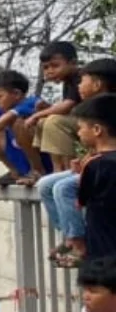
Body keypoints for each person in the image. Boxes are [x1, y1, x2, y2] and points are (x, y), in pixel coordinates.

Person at [39, 58, 116, 268]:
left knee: (64, 188)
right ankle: (70, 236)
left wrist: (87, 167)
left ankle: (80, 246)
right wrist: (84, 162)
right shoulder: (91, 109)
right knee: (45, 185)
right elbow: (98, 145)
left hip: (105, 167)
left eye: (83, 80)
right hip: (96, 163)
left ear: (98, 84)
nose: (79, 86)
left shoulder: (108, 108)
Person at [0, 70, 52, 186]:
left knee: (19, 123)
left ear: (17, 94)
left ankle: (38, 171)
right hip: (23, 163)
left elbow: (4, 120)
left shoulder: (31, 102)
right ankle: (15, 172)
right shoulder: (2, 110)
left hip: (45, 161)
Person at [26, 41, 83, 174]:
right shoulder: (68, 81)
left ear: (73, 63)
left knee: (53, 122)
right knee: (43, 122)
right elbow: (70, 107)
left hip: (98, 121)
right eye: (46, 68)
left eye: (55, 66)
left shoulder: (79, 77)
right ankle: (56, 168)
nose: (50, 71)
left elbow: (66, 106)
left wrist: (37, 114)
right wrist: (47, 109)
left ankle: (67, 169)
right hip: (83, 120)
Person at [77, 94, 116, 261]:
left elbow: (81, 201)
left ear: (97, 130)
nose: (78, 133)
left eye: (80, 128)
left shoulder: (93, 164)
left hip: (103, 243)